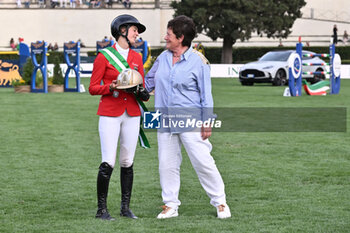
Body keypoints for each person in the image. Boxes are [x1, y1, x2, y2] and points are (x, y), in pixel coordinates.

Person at [145, 15, 231, 219]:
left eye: (169, 34)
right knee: (166, 164)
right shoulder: (162, 58)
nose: (165, 37)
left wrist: (207, 120)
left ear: (181, 37)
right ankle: (170, 205)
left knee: (203, 162)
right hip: (164, 119)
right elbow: (148, 82)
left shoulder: (198, 62)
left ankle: (220, 202)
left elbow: (206, 94)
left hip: (191, 120)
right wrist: (131, 84)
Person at [89, 14, 149, 221]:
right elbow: (93, 88)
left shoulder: (137, 58)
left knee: (127, 161)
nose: (137, 33)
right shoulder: (103, 56)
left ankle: (125, 208)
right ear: (122, 30)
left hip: (132, 113)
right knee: (108, 161)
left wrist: (143, 93)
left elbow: (142, 87)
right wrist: (110, 87)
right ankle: (101, 210)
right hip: (110, 113)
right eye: (134, 29)